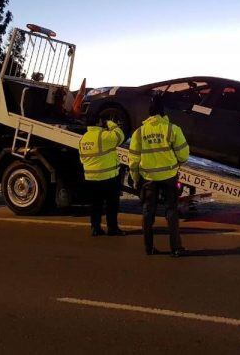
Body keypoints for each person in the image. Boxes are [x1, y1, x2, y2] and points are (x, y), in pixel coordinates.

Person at [129, 94, 190, 257]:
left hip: (148, 179)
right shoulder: (172, 129)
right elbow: (184, 155)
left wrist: (135, 179)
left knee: (148, 212)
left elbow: (133, 160)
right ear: (163, 112)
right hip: (169, 177)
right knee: (171, 212)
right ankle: (176, 248)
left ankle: (148, 248)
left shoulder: (139, 132)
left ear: (149, 113)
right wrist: (176, 162)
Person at [78, 114, 125, 237]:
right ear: (99, 122)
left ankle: (95, 228)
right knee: (111, 205)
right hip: (108, 177)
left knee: (95, 205)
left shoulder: (83, 139)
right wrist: (110, 123)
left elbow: (82, 159)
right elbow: (120, 135)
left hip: (91, 178)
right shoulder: (103, 136)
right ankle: (112, 229)